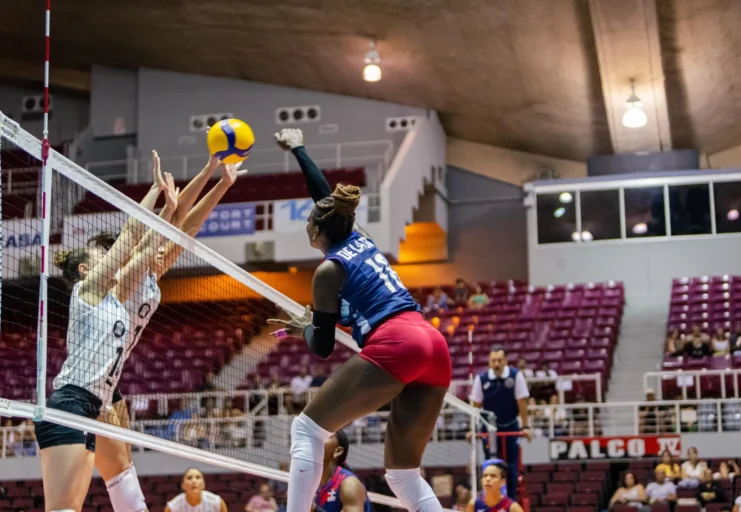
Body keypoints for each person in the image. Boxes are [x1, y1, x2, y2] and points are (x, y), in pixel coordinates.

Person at [270, 128, 452, 512]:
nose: (307, 222)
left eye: (309, 220)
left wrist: (305, 327)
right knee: (402, 475)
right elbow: (324, 196)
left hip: (397, 341)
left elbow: (320, 348)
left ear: (317, 231)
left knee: (306, 429)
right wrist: (299, 148)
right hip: (431, 343)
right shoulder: (361, 239)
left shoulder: (327, 271)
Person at [87, 154, 243, 512]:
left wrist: (218, 179)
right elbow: (162, 223)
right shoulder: (118, 281)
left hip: (112, 381)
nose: (161, 248)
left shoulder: (150, 276)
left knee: (122, 468)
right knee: (114, 470)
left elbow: (186, 226)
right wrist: (173, 202)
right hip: (90, 381)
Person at [34, 163, 178, 512]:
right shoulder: (88, 289)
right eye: (102, 254)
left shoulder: (114, 299)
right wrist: (155, 192)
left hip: (92, 406)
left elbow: (143, 252)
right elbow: (130, 234)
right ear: (87, 268)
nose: (111, 254)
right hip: (69, 404)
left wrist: (169, 211)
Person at [470, 346, 531, 499]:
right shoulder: (481, 379)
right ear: (489, 362)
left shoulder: (516, 376)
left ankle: (510, 501)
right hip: (489, 429)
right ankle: (491, 500)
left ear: (505, 361)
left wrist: (525, 427)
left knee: (511, 466)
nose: (496, 364)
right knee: (490, 465)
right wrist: (473, 428)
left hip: (510, 426)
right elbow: (475, 406)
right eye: (493, 361)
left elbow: (522, 402)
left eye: (499, 360)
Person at [314, 430, 373, 512]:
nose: (315, 439)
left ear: (337, 451)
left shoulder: (350, 484)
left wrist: (314, 509)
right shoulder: (308, 482)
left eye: (324, 436)